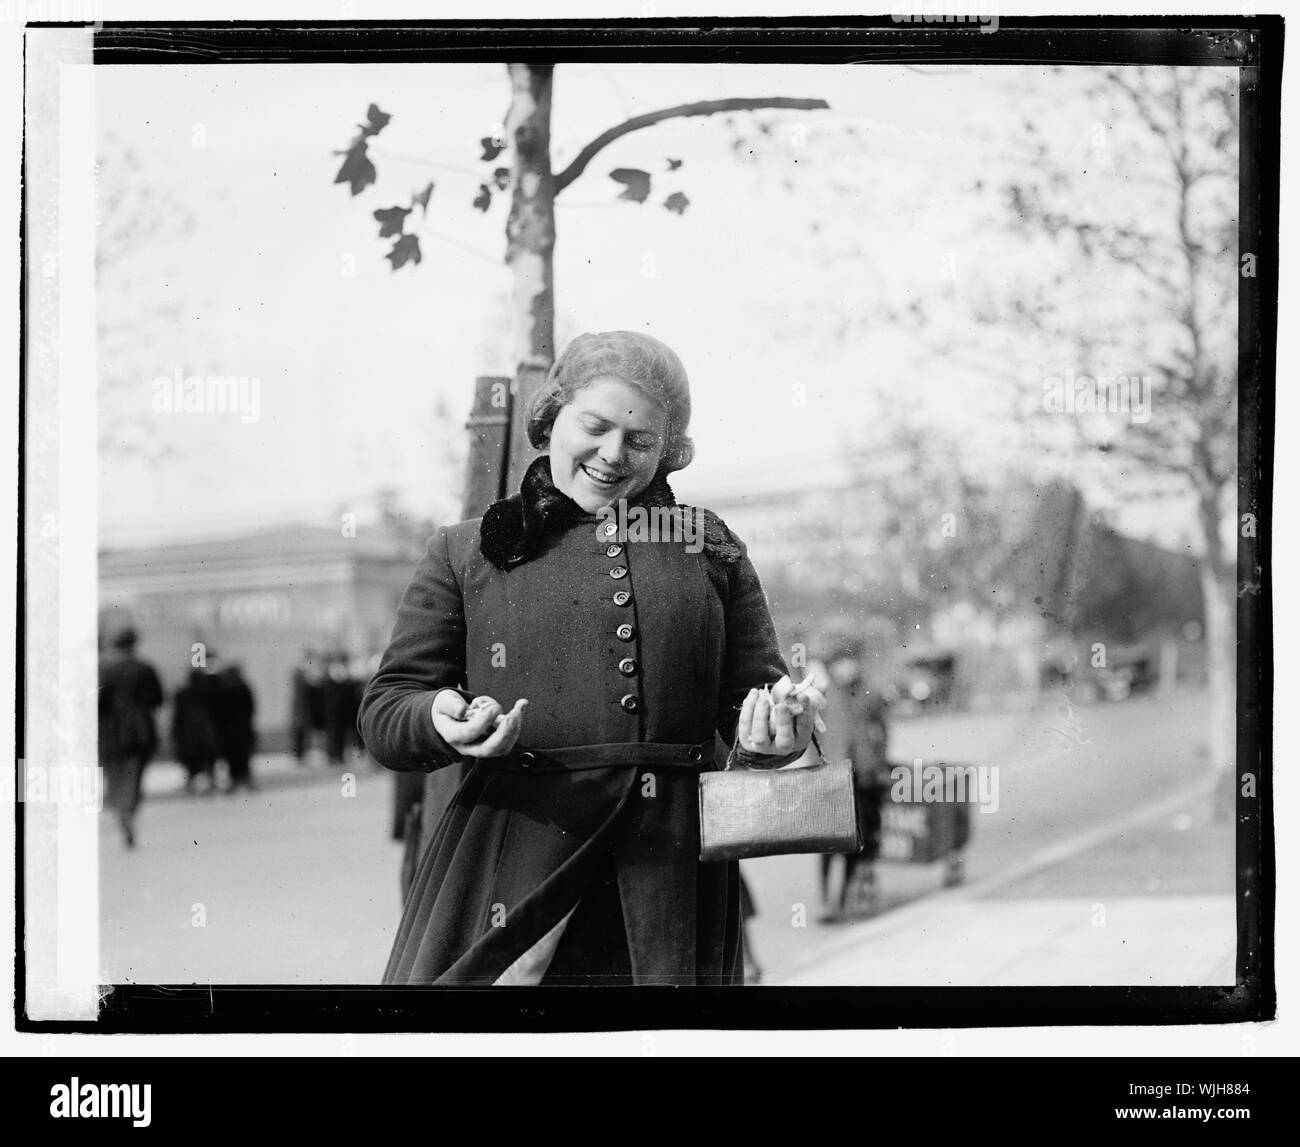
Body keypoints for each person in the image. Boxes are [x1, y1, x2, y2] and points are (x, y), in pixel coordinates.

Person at [361, 330, 827, 986]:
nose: (612, 454)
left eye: (639, 441)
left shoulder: (712, 548)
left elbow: (759, 700)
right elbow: (386, 710)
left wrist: (779, 732)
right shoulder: (463, 551)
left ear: (669, 449)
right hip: (515, 866)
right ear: (553, 418)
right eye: (595, 425)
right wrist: (441, 716)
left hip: (672, 879)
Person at [98, 627, 164, 848]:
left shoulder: (108, 670)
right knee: (134, 775)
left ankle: (122, 812)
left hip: (113, 733)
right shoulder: (145, 668)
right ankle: (130, 811)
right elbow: (157, 698)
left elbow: (100, 704)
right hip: (141, 730)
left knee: (117, 776)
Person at [171, 666, 222, 796]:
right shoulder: (208, 693)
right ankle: (210, 780)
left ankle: (192, 782)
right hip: (206, 731)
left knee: (192, 759)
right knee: (208, 758)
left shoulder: (183, 694)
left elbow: (177, 715)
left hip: (189, 733)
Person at [214, 660, 258, 792]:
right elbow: (251, 707)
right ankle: (244, 779)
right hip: (242, 728)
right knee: (243, 756)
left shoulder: (223, 687)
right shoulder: (243, 687)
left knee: (232, 756)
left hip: (229, 730)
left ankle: (236, 780)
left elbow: (220, 711)